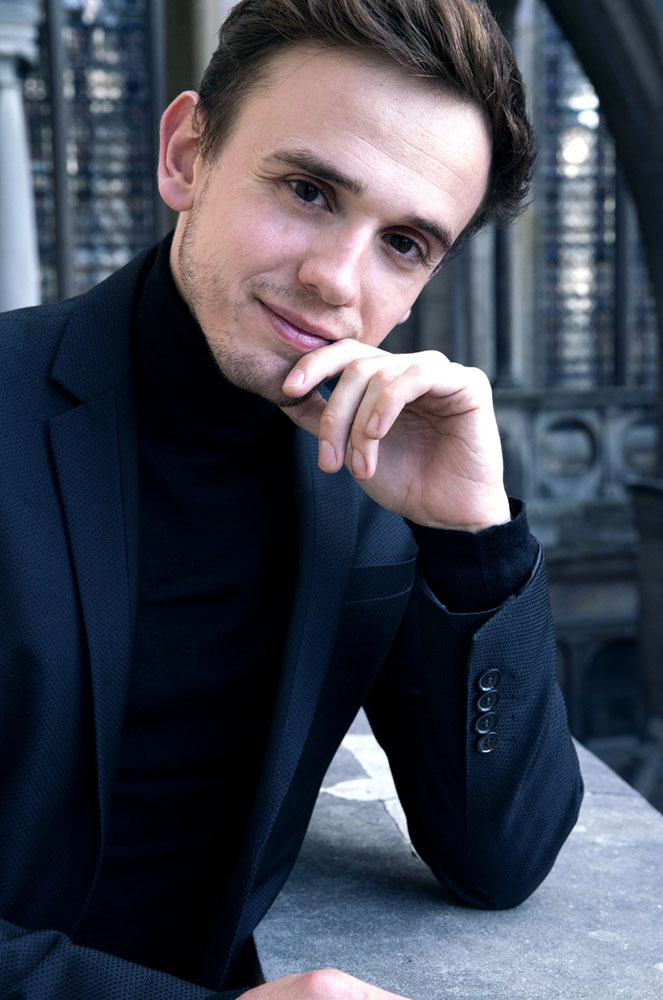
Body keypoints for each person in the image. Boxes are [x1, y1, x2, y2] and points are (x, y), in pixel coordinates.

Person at [0, 1, 583, 997]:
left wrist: (472, 538)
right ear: (187, 154)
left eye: (405, 243)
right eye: (309, 190)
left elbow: (500, 855)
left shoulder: (378, 466)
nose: (334, 280)